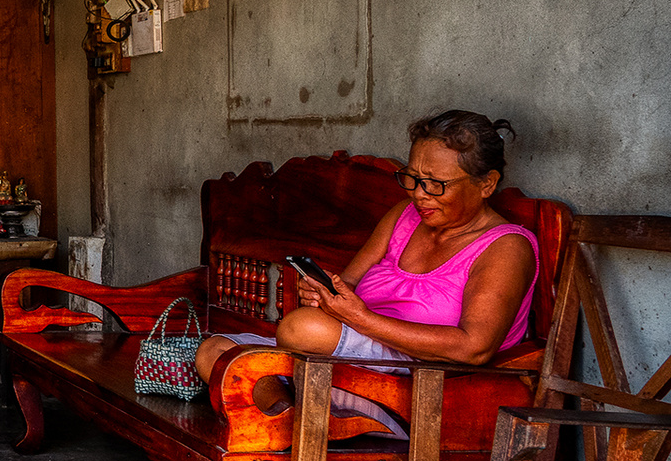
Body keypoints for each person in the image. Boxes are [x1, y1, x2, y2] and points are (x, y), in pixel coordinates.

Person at [193, 110, 539, 435]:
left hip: (420, 378)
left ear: (486, 184)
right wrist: (325, 292)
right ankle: (295, 422)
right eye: (412, 178)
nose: (419, 194)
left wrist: (359, 319)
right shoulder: (404, 216)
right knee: (215, 350)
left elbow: (474, 348)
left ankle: (322, 423)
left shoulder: (505, 247)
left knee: (301, 328)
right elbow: (351, 283)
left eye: (435, 184)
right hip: (352, 355)